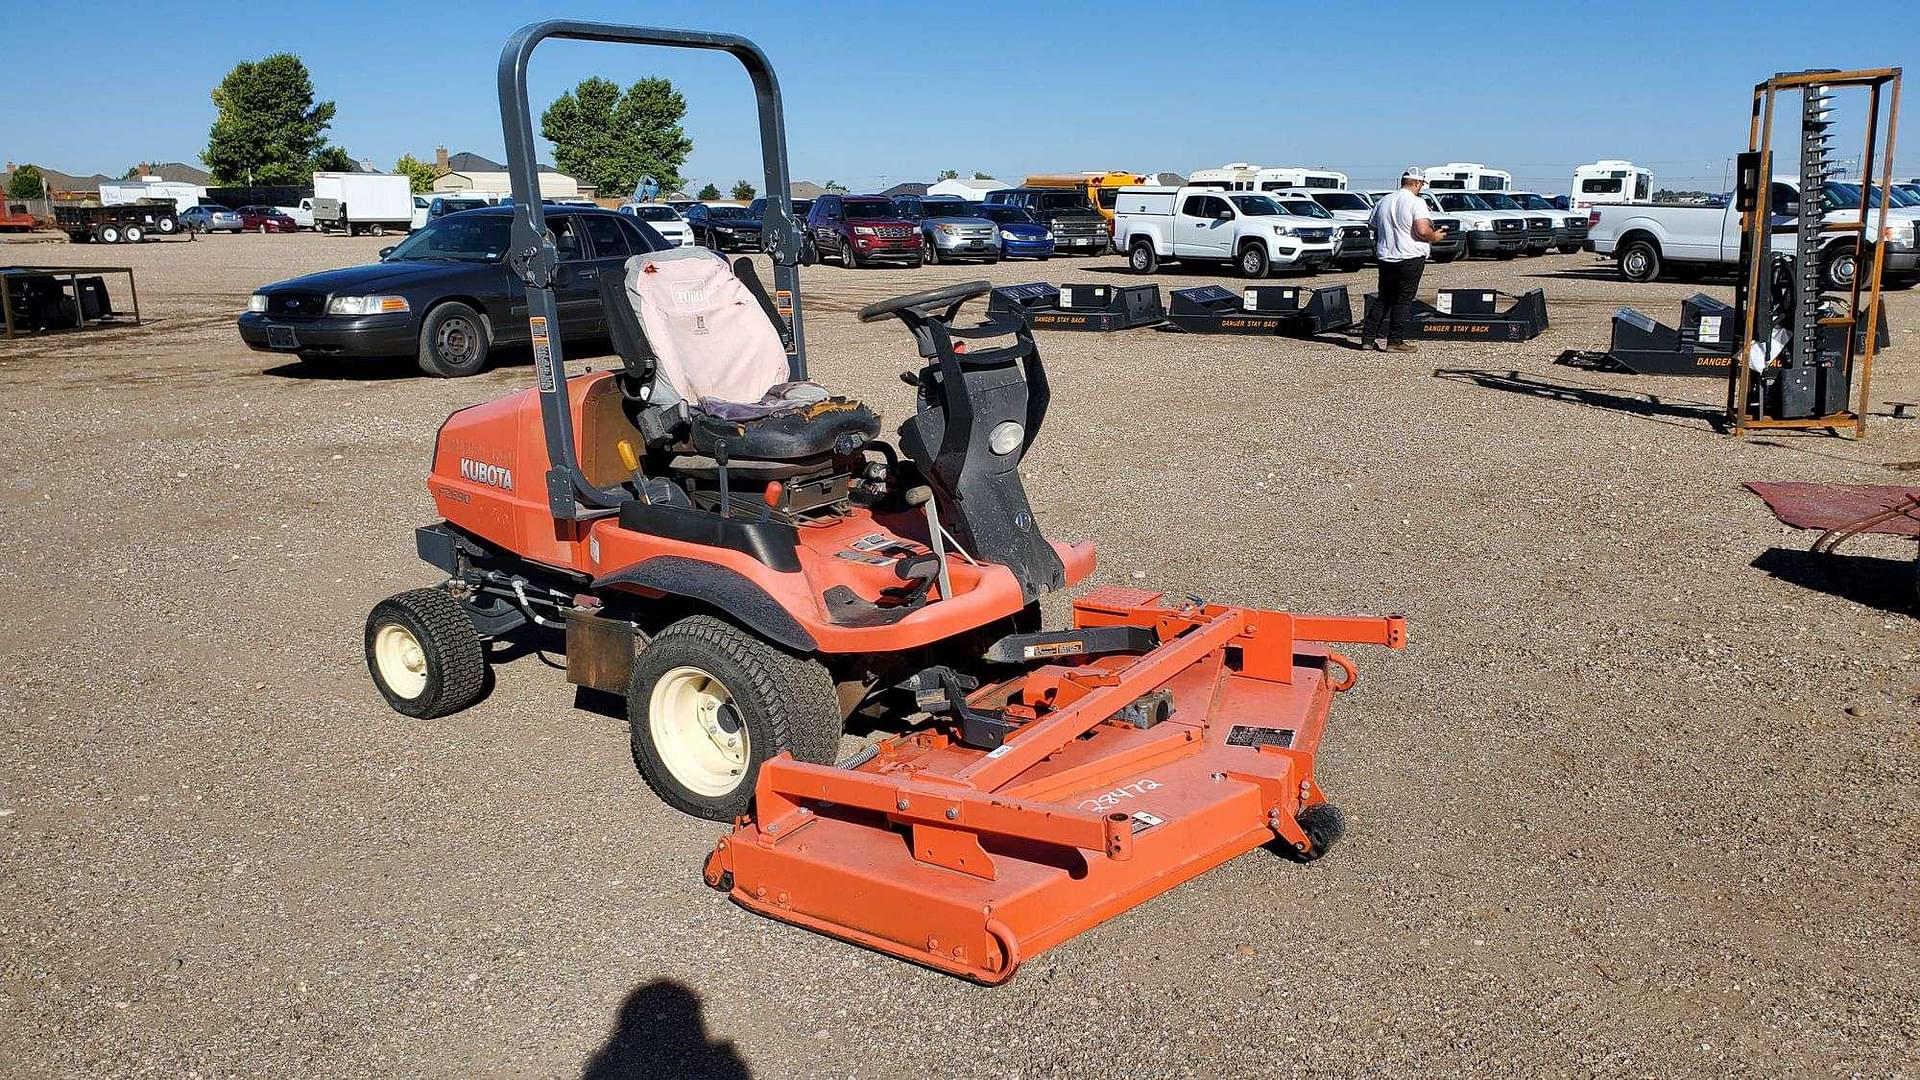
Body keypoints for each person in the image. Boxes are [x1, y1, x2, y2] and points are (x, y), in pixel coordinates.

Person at [1359, 167, 1448, 352]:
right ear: (1416, 183)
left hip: (1386, 256)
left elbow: (1373, 225)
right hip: (1410, 256)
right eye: (1421, 184)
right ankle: (1395, 341)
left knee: (1384, 298)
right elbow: (1422, 230)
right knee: (1403, 299)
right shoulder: (1417, 202)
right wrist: (1435, 237)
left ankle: (1367, 338)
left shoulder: (1383, 201)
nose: (1421, 188)